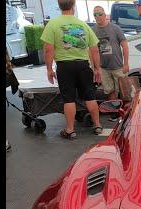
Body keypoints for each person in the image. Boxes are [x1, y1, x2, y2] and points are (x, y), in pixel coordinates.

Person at [40, 0, 103, 139]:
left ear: (59, 6)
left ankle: (70, 130)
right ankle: (98, 125)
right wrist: (97, 68)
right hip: (83, 65)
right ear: (73, 6)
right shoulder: (83, 24)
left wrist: (49, 69)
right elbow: (94, 49)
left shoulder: (53, 24)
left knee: (68, 99)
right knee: (90, 96)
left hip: (64, 66)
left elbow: (48, 50)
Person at [92, 5, 129, 101]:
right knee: (109, 91)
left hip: (118, 66)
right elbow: (92, 51)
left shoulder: (115, 28)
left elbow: (125, 46)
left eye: (100, 14)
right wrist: (95, 68)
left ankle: (125, 112)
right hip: (104, 68)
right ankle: (114, 111)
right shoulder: (93, 31)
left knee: (124, 90)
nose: (97, 16)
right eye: (95, 15)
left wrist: (126, 64)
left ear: (105, 15)